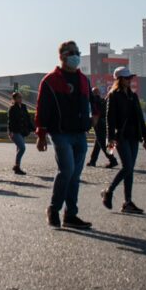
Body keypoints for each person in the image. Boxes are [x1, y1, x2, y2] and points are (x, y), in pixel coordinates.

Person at [35, 41, 96, 229]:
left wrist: (95, 117)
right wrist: (41, 133)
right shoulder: (50, 80)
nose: (76, 55)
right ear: (62, 56)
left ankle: (71, 215)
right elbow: (42, 108)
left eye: (78, 52)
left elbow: (94, 101)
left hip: (79, 133)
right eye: (72, 53)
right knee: (67, 170)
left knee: (75, 175)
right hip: (60, 134)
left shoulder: (84, 80)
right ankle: (54, 209)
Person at [101, 67, 146, 214]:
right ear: (119, 79)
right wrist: (110, 138)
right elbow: (110, 119)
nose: (129, 80)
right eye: (126, 78)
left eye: (130, 78)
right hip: (120, 137)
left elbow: (140, 118)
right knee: (128, 166)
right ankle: (109, 191)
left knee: (130, 170)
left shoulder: (133, 96)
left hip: (133, 136)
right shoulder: (113, 95)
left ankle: (127, 202)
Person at [86, 87, 119, 168]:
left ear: (93, 93)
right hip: (105, 123)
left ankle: (113, 160)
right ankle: (92, 161)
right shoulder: (103, 100)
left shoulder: (93, 101)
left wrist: (88, 126)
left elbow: (93, 114)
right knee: (98, 143)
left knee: (103, 144)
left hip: (98, 123)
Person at [7, 92, 34, 175]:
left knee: (19, 149)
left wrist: (33, 128)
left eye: (21, 97)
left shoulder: (23, 106)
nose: (20, 99)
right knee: (22, 148)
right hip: (15, 131)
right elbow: (10, 121)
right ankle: (16, 166)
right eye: (18, 97)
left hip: (22, 131)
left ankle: (17, 167)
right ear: (14, 99)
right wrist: (10, 131)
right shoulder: (12, 108)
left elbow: (28, 118)